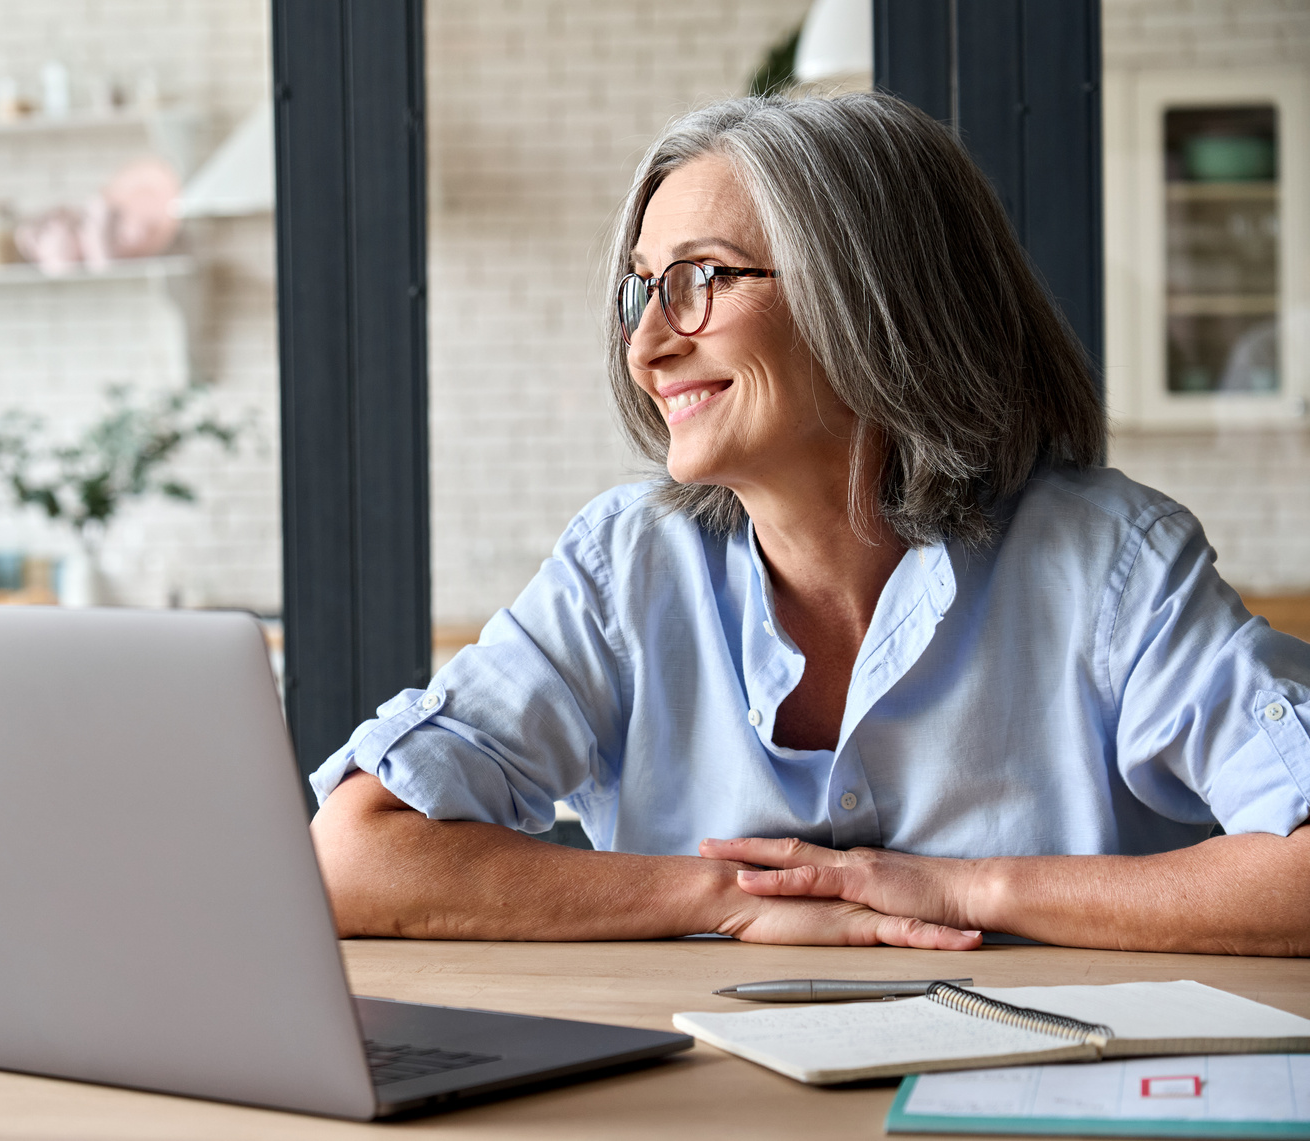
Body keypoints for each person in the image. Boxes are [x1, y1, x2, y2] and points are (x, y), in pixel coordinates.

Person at [307, 93, 1310, 956]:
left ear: (874, 295)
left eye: (700, 280)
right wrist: (725, 902)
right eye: (639, 291)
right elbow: (355, 851)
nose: (649, 345)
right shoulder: (627, 565)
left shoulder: (1109, 565)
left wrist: (963, 889)